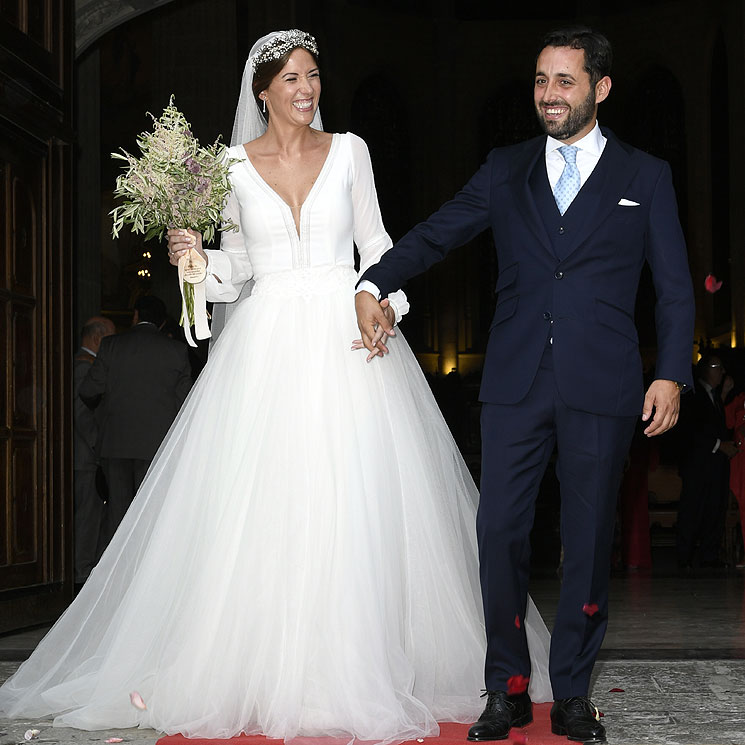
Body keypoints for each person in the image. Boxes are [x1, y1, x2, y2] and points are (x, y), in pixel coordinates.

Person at [0, 30, 552, 743]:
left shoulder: (350, 150)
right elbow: (238, 271)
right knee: (264, 506)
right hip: (263, 349)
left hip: (346, 334)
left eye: (313, 76)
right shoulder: (228, 165)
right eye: (291, 77)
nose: (306, 88)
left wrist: (385, 301)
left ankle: (357, 662)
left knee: (351, 501)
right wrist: (195, 262)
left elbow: (378, 246)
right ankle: (260, 666)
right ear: (261, 90)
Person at [355, 26, 695, 744]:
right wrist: (375, 278)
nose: (547, 94)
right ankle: (506, 687)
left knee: (587, 536)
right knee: (499, 530)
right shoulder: (505, 167)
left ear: (599, 88)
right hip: (513, 379)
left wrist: (669, 370)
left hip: (603, 385)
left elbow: (672, 287)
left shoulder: (645, 175)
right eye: (540, 80)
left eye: (563, 81)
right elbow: (441, 230)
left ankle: (570, 692)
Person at [79, 295, 192, 551]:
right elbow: (185, 403)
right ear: (162, 322)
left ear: (135, 316)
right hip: (157, 448)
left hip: (115, 444)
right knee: (153, 515)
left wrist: (109, 409)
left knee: (116, 517)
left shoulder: (111, 346)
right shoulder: (176, 350)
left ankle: (110, 582)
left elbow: (88, 391)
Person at [676, 353, 737, 569]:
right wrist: (720, 445)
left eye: (722, 367)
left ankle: (708, 555)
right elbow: (692, 429)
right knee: (693, 508)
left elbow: (718, 425)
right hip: (697, 464)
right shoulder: (693, 394)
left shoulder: (715, 396)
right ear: (705, 370)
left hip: (715, 465)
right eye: (716, 366)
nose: (721, 371)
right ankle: (684, 556)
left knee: (714, 507)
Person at [73, 315, 116, 587]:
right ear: (98, 338)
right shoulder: (83, 368)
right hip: (85, 457)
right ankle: (81, 575)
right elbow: (83, 415)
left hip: (85, 456)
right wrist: (98, 449)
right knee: (87, 518)